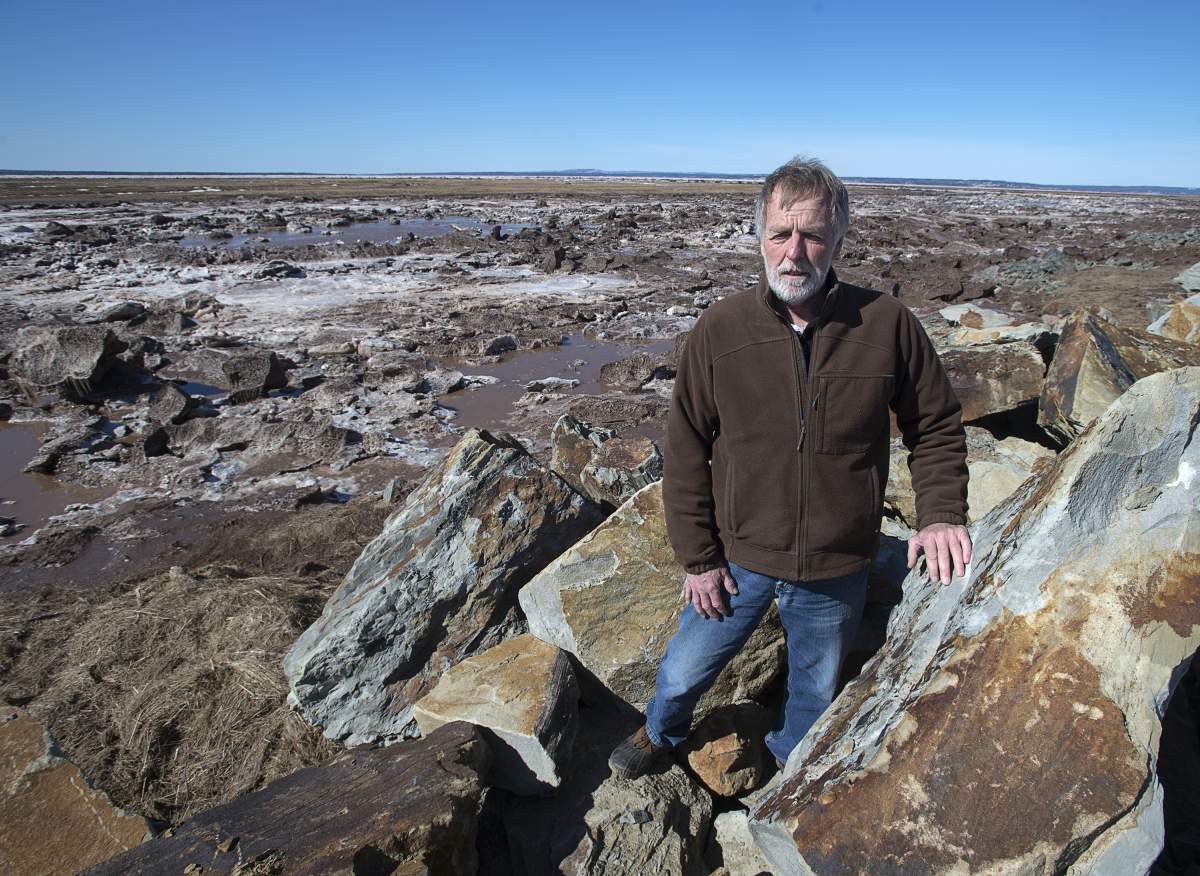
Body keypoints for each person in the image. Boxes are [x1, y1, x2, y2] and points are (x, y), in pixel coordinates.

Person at [608, 157, 972, 779]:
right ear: (760, 237)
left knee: (814, 691)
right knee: (682, 670)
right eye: (781, 234)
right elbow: (688, 446)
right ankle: (661, 731)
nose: (794, 252)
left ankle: (784, 777)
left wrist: (941, 517)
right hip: (738, 558)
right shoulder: (721, 329)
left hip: (837, 564)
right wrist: (699, 558)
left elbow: (934, 425)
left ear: (837, 241)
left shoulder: (886, 325)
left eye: (812, 236)